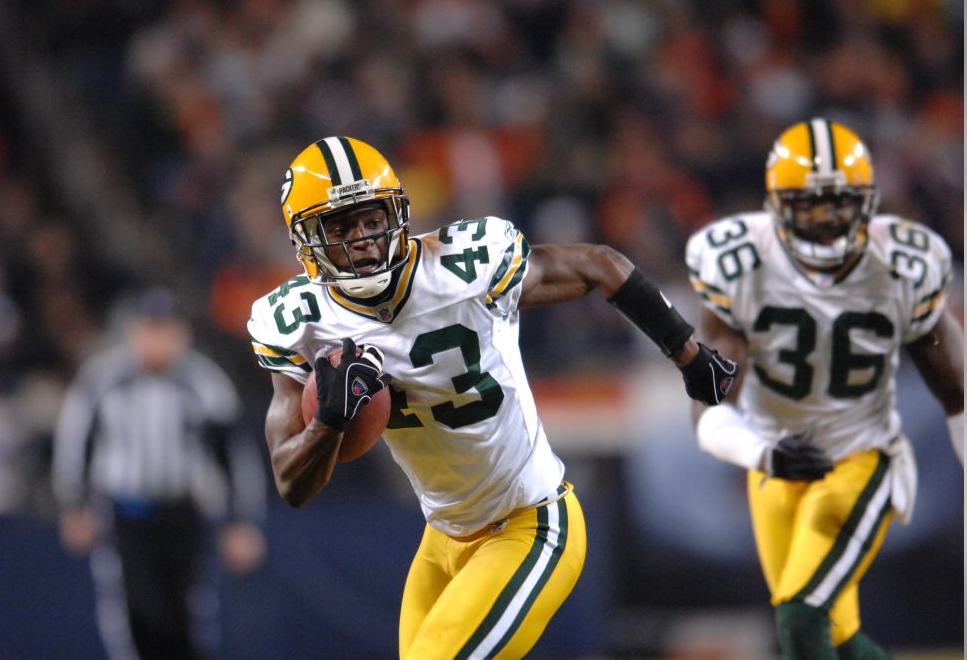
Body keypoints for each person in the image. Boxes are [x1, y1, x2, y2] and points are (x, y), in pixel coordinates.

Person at [247, 136, 738, 659]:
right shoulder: (298, 322)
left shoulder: (465, 267)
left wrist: (689, 353)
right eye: (339, 227)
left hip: (531, 521)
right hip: (443, 539)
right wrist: (329, 421)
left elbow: (598, 264)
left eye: (371, 219)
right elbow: (292, 484)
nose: (363, 239)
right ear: (305, 240)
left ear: (398, 213)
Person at [685, 118, 964, 660]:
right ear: (777, 205)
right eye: (811, 205)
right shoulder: (737, 262)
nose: (829, 219)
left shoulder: (903, 264)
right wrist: (764, 452)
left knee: (800, 617)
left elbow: (959, 393)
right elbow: (708, 407)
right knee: (834, 636)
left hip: (859, 457)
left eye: (841, 202)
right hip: (773, 465)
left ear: (869, 201)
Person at [53, 287, 268, 660]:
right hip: (126, 515)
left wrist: (243, 520)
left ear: (181, 333)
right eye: (150, 329)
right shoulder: (103, 379)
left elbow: (233, 453)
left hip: (186, 512)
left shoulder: (203, 382)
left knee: (188, 614)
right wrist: (74, 506)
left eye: (165, 329)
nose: (157, 340)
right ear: (132, 332)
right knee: (135, 614)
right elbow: (75, 444)